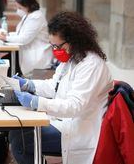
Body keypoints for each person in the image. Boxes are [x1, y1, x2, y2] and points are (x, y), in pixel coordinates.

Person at [9, 11, 113, 164]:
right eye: (53, 46)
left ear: (74, 40)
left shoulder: (91, 65)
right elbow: (54, 86)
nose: (56, 50)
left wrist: (37, 103)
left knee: (21, 143)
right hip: (64, 121)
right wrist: (29, 85)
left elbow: (75, 106)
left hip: (80, 129)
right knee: (15, 131)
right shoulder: (72, 58)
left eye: (58, 46)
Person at [0, 0, 53, 77]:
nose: (18, 10)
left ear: (28, 5)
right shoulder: (28, 15)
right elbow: (21, 33)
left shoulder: (36, 17)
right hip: (24, 51)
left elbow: (25, 39)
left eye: (20, 7)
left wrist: (6, 38)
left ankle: (11, 84)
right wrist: (8, 35)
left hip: (35, 55)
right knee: (4, 62)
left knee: (6, 64)